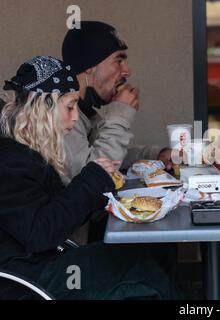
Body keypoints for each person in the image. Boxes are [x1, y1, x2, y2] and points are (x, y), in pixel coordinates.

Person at [0, 56, 180, 300]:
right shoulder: (10, 161)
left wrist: (96, 185)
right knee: (136, 265)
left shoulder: (26, 153)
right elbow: (40, 233)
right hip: (29, 280)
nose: (75, 118)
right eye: (69, 106)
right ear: (43, 108)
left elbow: (53, 213)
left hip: (46, 263)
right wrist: (92, 178)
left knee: (147, 259)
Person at [62, 21, 173, 180]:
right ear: (89, 66)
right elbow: (91, 175)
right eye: (119, 60)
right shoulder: (60, 116)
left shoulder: (85, 112)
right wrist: (120, 116)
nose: (127, 71)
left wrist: (155, 155)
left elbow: (106, 157)